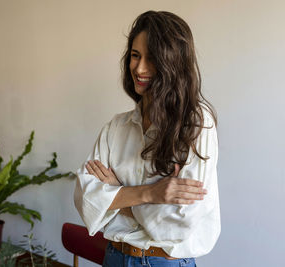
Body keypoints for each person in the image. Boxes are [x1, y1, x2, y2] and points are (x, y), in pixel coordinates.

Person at [74, 10, 220, 267]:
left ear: (173, 62)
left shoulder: (196, 124)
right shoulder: (115, 127)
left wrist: (117, 198)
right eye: (135, 55)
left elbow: (178, 225)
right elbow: (84, 198)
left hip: (165, 262)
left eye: (152, 58)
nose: (139, 69)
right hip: (114, 257)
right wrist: (150, 193)